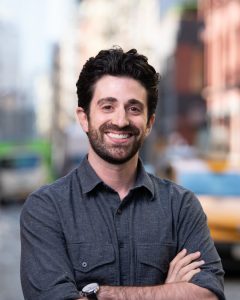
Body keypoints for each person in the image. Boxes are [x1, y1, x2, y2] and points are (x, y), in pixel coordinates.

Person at [20, 47, 225, 300]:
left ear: (149, 123)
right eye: (107, 106)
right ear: (84, 119)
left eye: (134, 109)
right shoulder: (46, 208)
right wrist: (169, 291)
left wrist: (103, 294)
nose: (121, 120)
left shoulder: (181, 206)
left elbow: (208, 295)